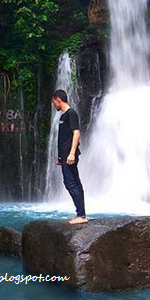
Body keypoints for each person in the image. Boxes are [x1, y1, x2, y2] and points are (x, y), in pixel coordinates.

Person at [52, 89, 87, 225]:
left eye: (54, 102)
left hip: (70, 155)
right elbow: (64, 138)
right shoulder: (63, 116)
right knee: (74, 183)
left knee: (71, 183)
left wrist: (72, 153)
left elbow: (76, 133)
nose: (54, 105)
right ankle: (81, 213)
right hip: (65, 156)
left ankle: (81, 215)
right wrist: (61, 156)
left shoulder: (71, 114)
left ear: (58, 100)